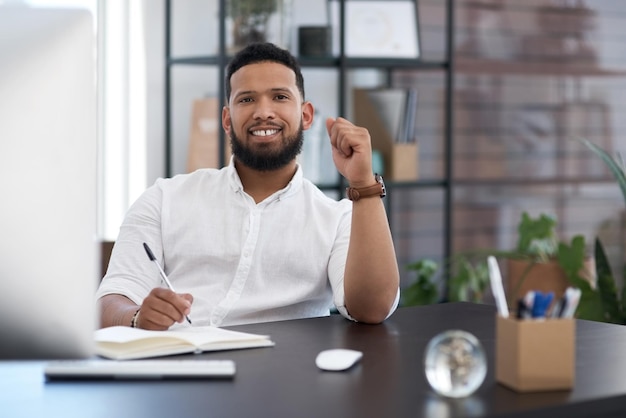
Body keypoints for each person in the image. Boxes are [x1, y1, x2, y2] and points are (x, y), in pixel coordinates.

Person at [97, 42, 400, 330]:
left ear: (306, 115)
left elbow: (372, 309)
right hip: (181, 368)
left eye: (280, 97)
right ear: (227, 120)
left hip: (287, 373)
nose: (263, 112)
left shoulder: (337, 219)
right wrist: (138, 317)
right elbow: (111, 301)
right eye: (247, 99)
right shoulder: (164, 199)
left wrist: (363, 184)